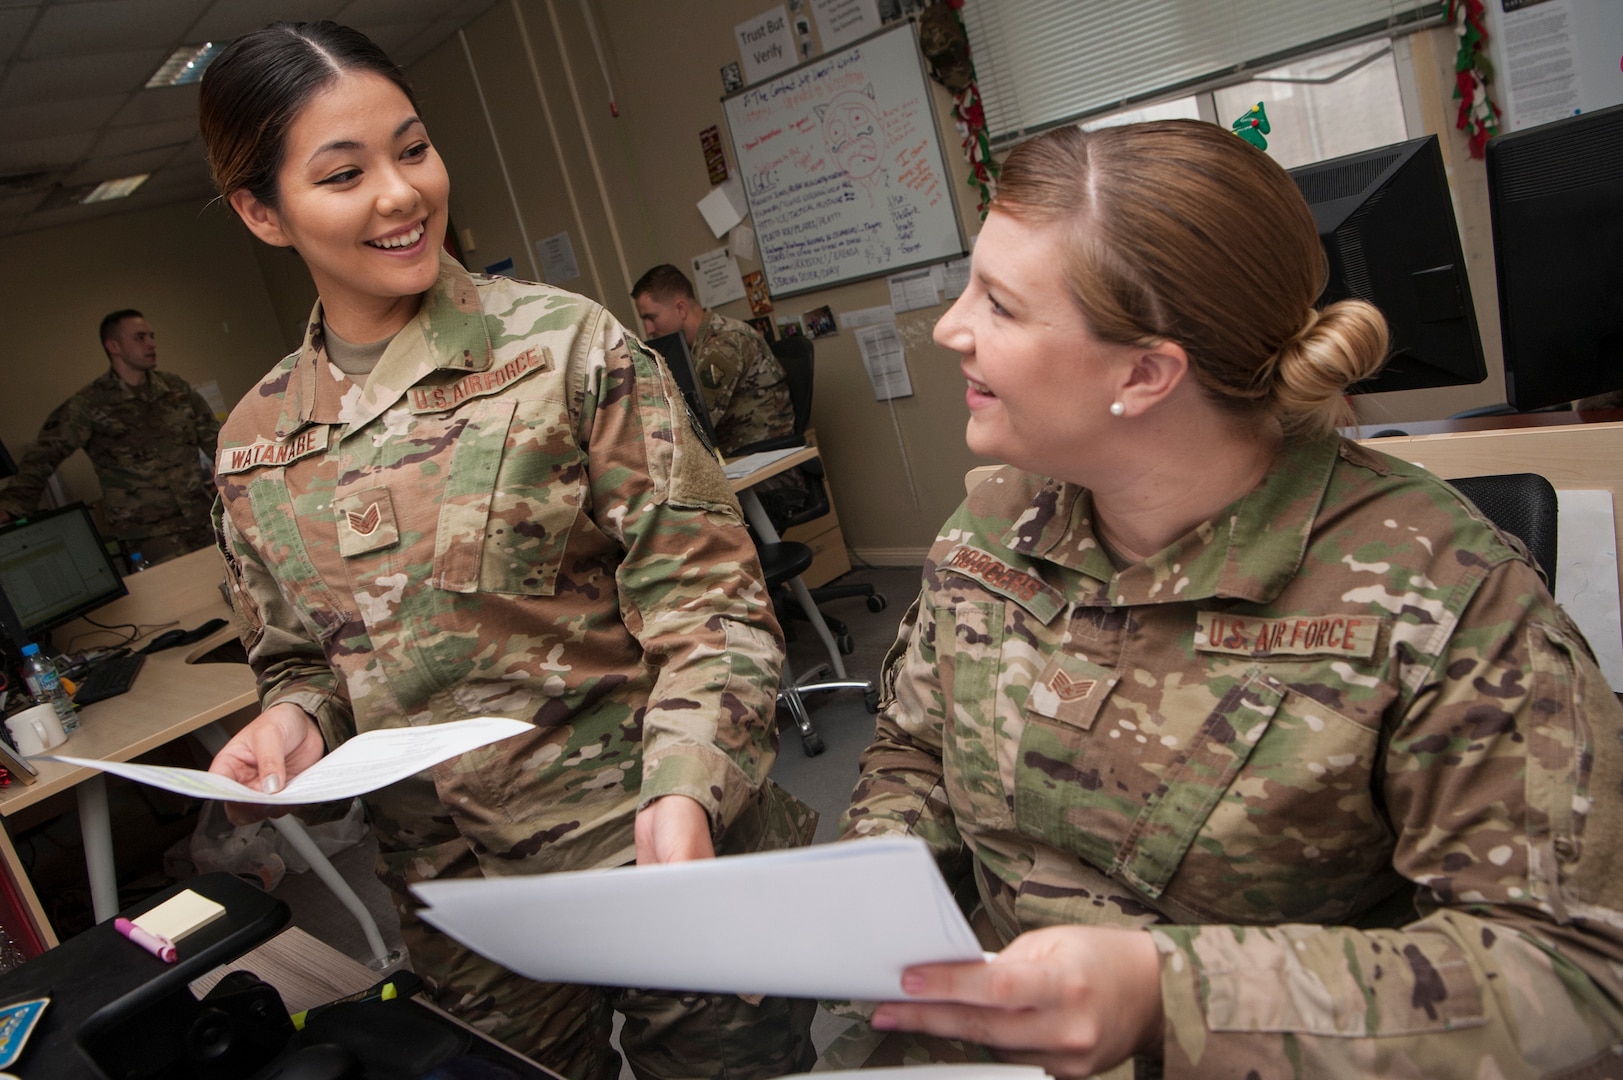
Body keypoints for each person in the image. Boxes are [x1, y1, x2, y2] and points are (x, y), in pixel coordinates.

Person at [834, 120, 1623, 1079]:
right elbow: (914, 746)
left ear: (1145, 374)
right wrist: (872, 893)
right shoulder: (992, 528)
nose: (949, 328)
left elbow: (1573, 974)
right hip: (977, 1040)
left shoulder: (1441, 593)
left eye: (997, 304)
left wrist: (1163, 995)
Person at [196, 22, 814, 1080]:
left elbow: (711, 608)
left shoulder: (563, 349)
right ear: (262, 211)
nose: (399, 194)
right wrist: (294, 718)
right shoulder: (255, 443)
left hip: (658, 843)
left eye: (414, 149)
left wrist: (687, 787)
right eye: (345, 174)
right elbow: (308, 658)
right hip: (464, 913)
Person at [0, 310, 219, 565]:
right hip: (147, 530)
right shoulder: (91, 404)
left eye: (151, 336)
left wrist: (236, 478)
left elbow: (216, 440)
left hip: (202, 514)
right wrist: (12, 505)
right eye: (140, 337)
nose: (151, 343)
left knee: (237, 580)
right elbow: (43, 455)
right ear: (113, 346)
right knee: (186, 584)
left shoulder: (175, 389)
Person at [631, 264, 794, 455]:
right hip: (737, 457)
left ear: (681, 309)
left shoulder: (724, 344)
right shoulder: (695, 346)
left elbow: (694, 424)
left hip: (766, 461)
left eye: (651, 317)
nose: (648, 329)